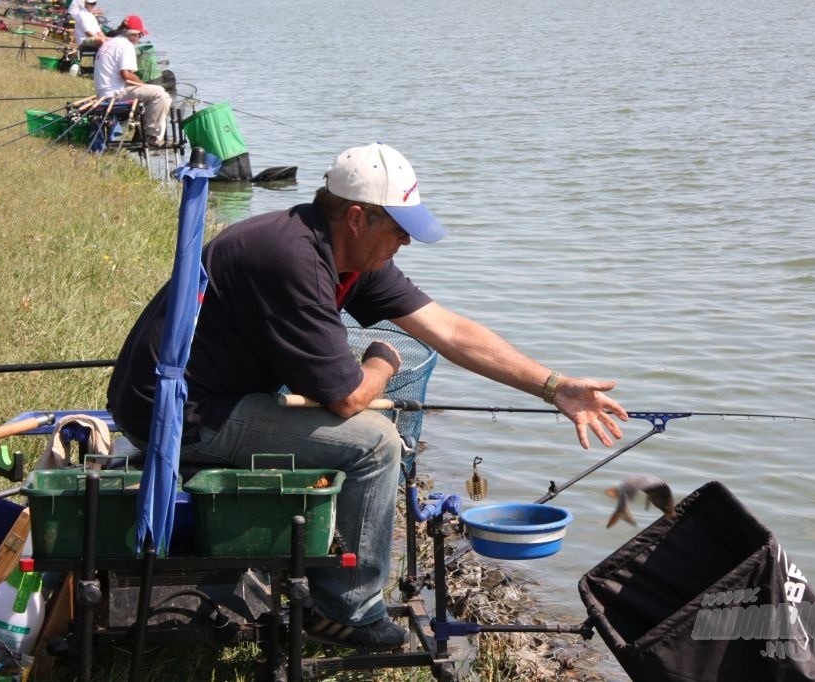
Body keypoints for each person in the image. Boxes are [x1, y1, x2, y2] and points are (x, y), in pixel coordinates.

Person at [107, 142, 628, 649]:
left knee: (362, 433)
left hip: (207, 396)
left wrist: (554, 386)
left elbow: (448, 329)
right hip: (174, 412)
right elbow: (352, 398)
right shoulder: (289, 257)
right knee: (374, 442)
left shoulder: (349, 256)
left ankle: (324, 567)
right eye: (400, 230)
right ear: (358, 217)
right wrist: (382, 358)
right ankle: (346, 612)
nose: (405, 243)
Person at [91, 15, 171, 147]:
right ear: (133, 34)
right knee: (161, 95)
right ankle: (151, 137)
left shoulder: (110, 42)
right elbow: (126, 75)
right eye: (140, 35)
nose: (139, 39)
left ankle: (142, 131)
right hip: (114, 94)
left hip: (104, 93)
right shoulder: (126, 46)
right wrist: (143, 85)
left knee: (158, 91)